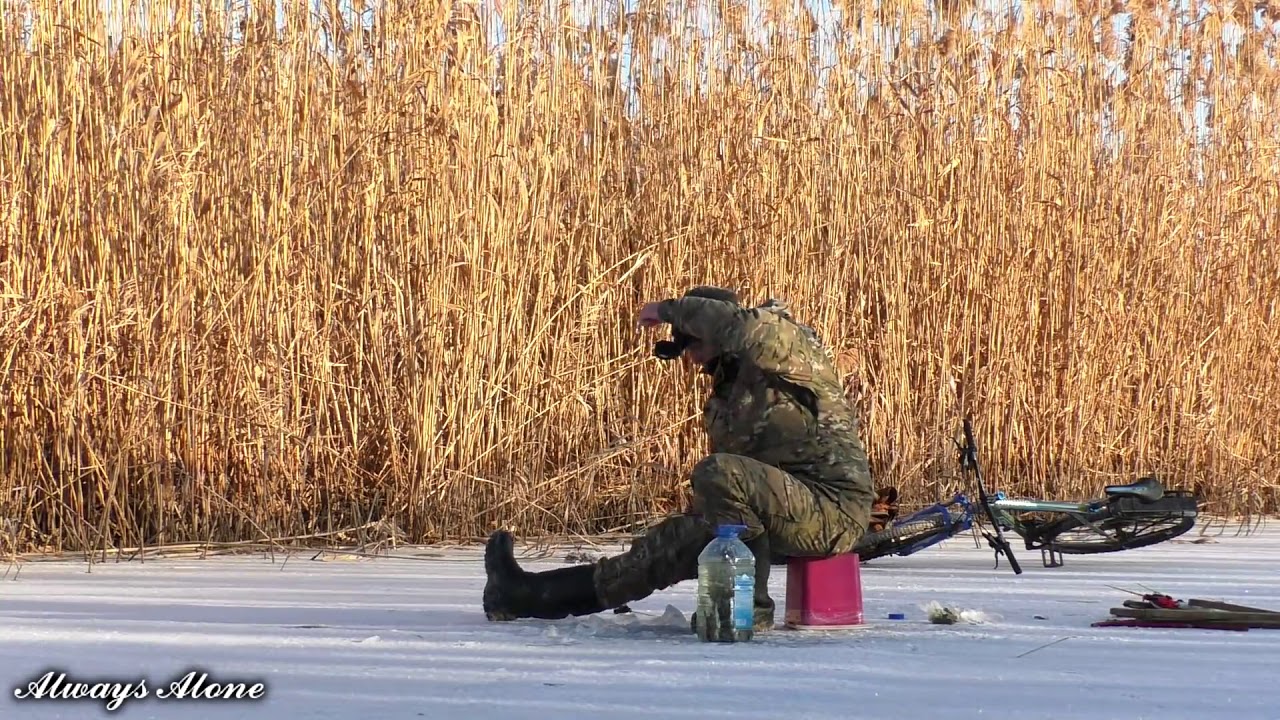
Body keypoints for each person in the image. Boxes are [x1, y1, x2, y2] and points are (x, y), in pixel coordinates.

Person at [481, 286, 885, 632]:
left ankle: (744, 611)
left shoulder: (786, 344)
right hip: (781, 513)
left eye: (692, 342)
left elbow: (738, 328)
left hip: (832, 508)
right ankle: (525, 596)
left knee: (717, 473)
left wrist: (668, 309)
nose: (690, 357)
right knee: (667, 545)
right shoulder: (728, 398)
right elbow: (737, 497)